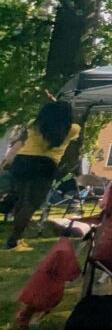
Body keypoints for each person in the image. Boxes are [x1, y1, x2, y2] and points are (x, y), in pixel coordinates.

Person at [3, 101, 80, 249]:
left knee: (21, 200)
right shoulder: (72, 129)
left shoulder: (34, 124)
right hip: (45, 165)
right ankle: (13, 240)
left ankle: (16, 237)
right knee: (32, 203)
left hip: (22, 160)